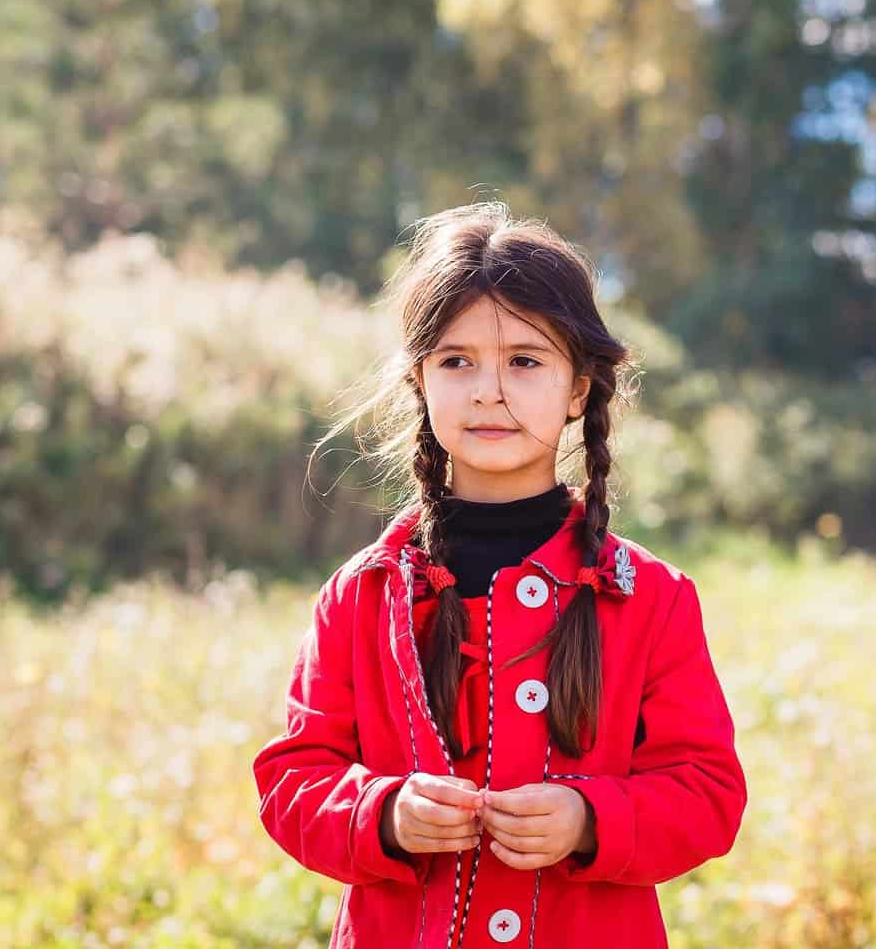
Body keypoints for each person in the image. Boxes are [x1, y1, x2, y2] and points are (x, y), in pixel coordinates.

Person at [252, 201, 747, 948]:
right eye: (457, 361)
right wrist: (384, 812)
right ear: (420, 380)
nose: (488, 389)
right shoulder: (363, 595)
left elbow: (708, 795)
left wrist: (589, 820)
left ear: (580, 387)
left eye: (524, 360)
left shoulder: (650, 597)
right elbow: (294, 780)